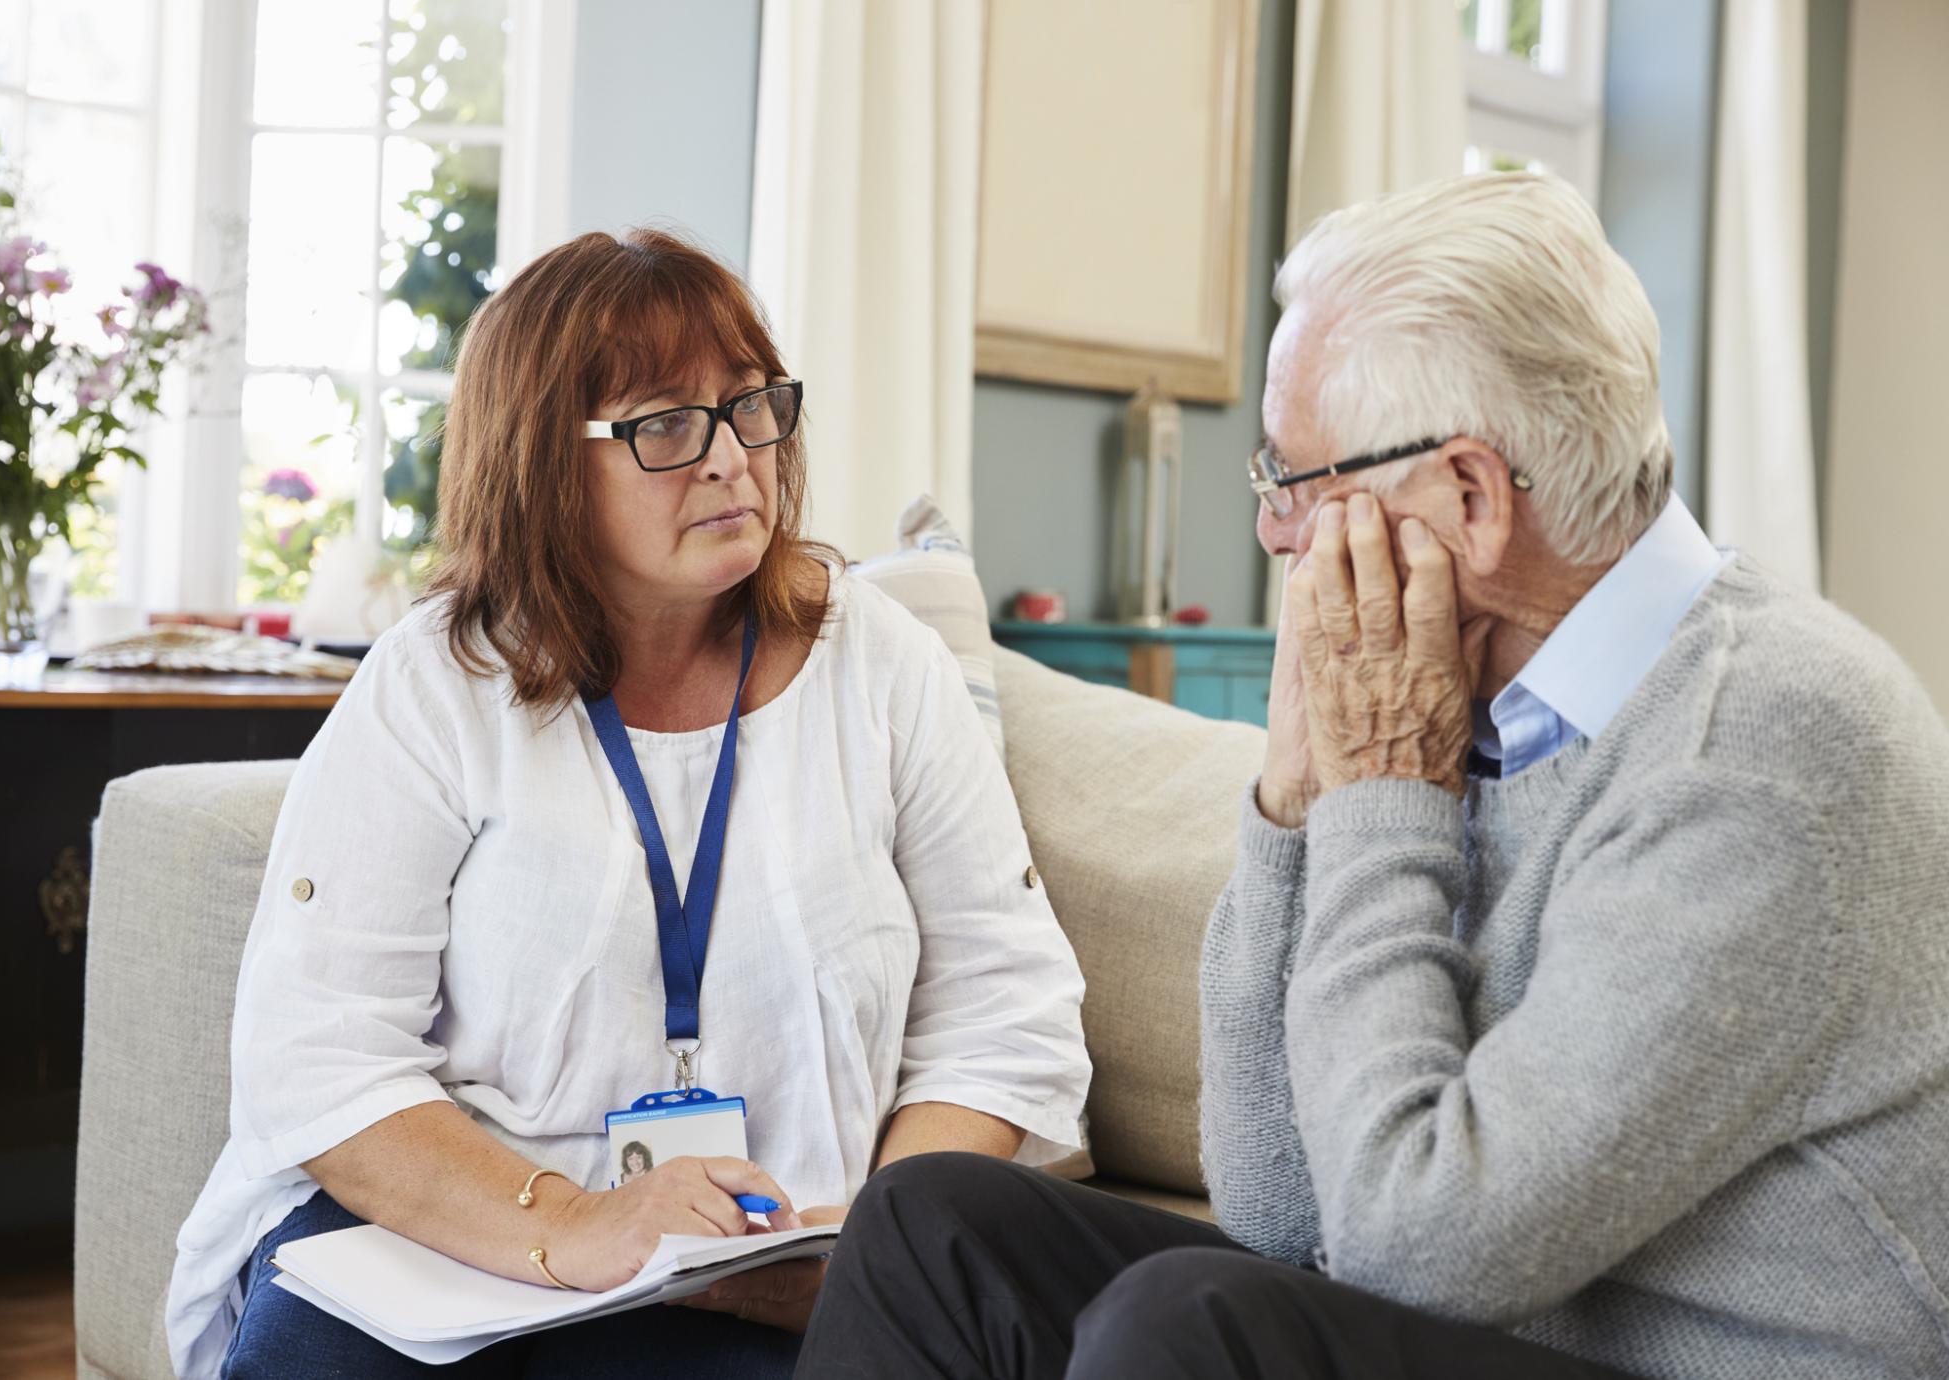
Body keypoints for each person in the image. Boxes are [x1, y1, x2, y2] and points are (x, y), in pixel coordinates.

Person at [794, 172, 1949, 1380]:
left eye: (1291, 478)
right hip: (1492, 1325)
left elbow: (1418, 1251)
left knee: (1189, 1323)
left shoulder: (1756, 753)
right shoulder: (1476, 694)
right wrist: (1290, 808)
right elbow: (1275, 1203)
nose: (1270, 530)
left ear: (1468, 496)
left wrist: (1380, 797)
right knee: (931, 1225)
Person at [164, 229, 1090, 1379]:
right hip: (454, 1243)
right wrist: (571, 1223)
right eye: (664, 425)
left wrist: (876, 1255)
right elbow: (319, 1055)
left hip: (778, 1264)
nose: (730, 458)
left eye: (749, 406)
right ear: (540, 464)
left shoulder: (881, 664)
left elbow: (1004, 1013)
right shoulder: (434, 684)